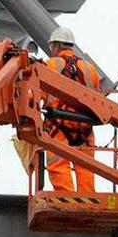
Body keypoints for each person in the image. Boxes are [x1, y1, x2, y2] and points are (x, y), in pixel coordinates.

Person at [42, 26, 102, 192]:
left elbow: (37, 94)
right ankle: (87, 200)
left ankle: (66, 199)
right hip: (85, 128)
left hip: (58, 128)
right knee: (86, 167)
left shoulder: (49, 65)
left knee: (58, 164)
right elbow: (98, 100)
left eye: (51, 46)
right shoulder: (90, 69)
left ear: (56, 45)